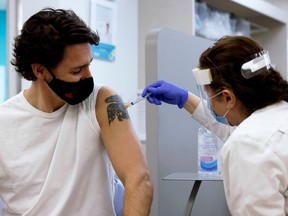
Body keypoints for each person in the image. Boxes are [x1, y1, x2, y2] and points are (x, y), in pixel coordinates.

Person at [0, 8, 153, 216]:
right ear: (40, 70)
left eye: (89, 65)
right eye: (76, 70)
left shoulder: (102, 102)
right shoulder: (4, 122)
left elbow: (139, 178)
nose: (88, 76)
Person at [142, 35, 288, 215]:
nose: (210, 105)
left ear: (227, 97)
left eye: (209, 97)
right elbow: (238, 129)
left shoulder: (247, 144)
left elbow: (244, 138)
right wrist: (184, 98)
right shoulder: (278, 116)